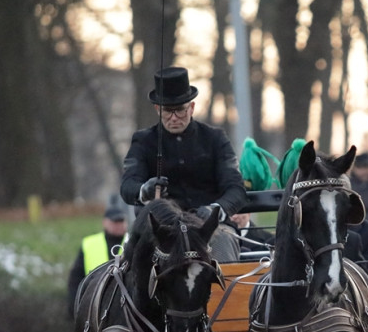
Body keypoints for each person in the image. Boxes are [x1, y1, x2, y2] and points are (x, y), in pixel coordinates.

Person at [120, 66, 246, 260]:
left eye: (180, 110)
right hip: (162, 228)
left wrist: (216, 210)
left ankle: (224, 290)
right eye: (167, 112)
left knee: (223, 246)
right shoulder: (143, 141)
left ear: (192, 107)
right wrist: (144, 190)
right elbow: (128, 185)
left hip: (209, 228)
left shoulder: (215, 139)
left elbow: (236, 190)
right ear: (157, 109)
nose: (174, 118)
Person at [67, 204, 129, 317]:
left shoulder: (132, 242)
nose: (119, 225)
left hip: (125, 307)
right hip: (93, 305)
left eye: (121, 221)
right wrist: (74, 306)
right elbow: (76, 277)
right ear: (105, 222)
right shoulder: (89, 243)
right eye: (115, 222)